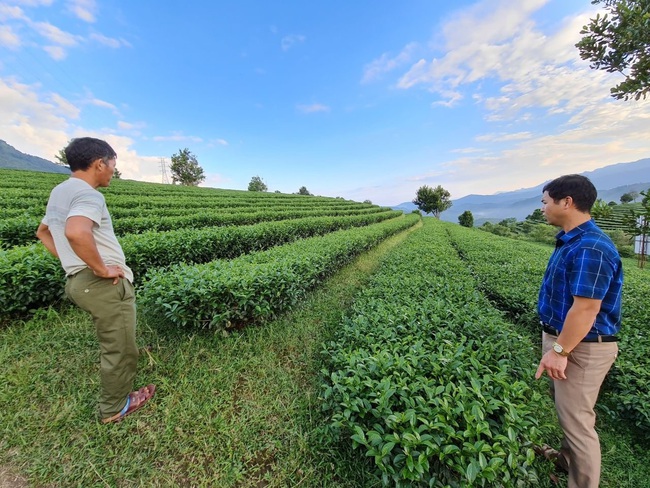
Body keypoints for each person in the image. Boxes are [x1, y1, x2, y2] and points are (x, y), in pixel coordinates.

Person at [36, 137, 155, 424]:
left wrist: (72, 263)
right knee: (119, 347)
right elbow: (77, 232)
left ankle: (117, 397)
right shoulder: (89, 194)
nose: (114, 170)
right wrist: (100, 269)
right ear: (99, 163)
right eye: (113, 164)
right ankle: (115, 408)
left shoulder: (60, 191)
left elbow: (43, 232)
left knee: (117, 338)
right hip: (100, 284)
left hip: (79, 282)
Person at [534, 174, 622, 488]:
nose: (542, 208)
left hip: (580, 346)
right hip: (568, 341)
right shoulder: (572, 239)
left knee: (578, 423)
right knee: (569, 413)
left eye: (545, 202)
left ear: (566, 202)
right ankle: (565, 458)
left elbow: (585, 309)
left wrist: (560, 351)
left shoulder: (590, 247)